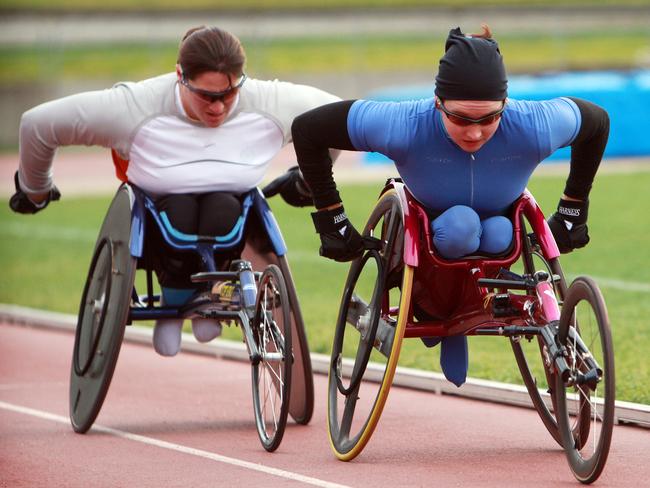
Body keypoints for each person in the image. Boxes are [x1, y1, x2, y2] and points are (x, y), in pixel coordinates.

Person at [291, 25, 609, 387]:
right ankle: (437, 308)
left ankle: (468, 303)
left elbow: (597, 123)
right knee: (462, 225)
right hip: (432, 238)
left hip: (499, 236)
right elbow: (307, 130)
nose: (474, 133)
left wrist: (572, 208)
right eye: (459, 118)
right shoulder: (403, 124)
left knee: (499, 231)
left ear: (505, 105)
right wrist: (331, 217)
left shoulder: (534, 124)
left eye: (489, 118)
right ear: (437, 103)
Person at [10, 25, 339, 357]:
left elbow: (338, 119)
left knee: (224, 207)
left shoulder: (270, 101)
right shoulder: (135, 105)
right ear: (180, 76)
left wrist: (308, 182)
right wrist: (35, 189)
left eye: (228, 94)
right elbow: (38, 125)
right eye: (207, 96)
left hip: (231, 214)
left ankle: (206, 297)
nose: (218, 108)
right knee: (179, 210)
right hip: (159, 216)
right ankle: (177, 299)